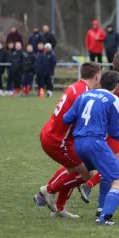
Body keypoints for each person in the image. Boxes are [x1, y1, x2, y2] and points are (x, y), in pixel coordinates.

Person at [63, 71, 119, 226]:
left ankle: (101, 209)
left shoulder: (84, 95)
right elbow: (114, 132)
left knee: (99, 173)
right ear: (117, 86)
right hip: (96, 143)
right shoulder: (114, 100)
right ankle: (105, 218)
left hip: (78, 144)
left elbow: (67, 118)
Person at [37, 62, 102, 213]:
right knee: (87, 173)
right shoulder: (85, 94)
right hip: (58, 141)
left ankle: (60, 209)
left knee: (73, 169)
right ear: (97, 76)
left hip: (50, 133)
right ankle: (48, 190)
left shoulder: (75, 86)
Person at [79, 52, 119, 214]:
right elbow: (109, 113)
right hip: (104, 132)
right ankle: (91, 192)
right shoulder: (112, 84)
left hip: (102, 132)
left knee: (116, 164)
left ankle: (97, 199)